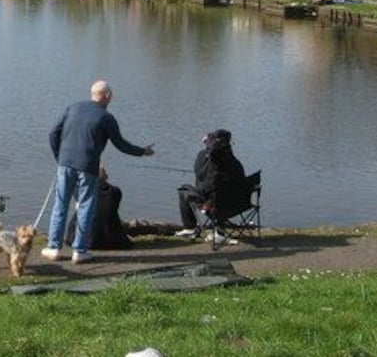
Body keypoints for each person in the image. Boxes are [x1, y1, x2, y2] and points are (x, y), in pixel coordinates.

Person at [43, 80, 155, 264]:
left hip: (65, 164)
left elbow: (53, 133)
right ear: (108, 96)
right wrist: (143, 151)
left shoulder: (73, 107)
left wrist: (59, 157)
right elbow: (121, 145)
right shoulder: (106, 117)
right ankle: (79, 251)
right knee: (87, 207)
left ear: (92, 94)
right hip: (88, 166)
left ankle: (54, 248)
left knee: (60, 205)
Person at [175, 129, 245, 240]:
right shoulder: (235, 162)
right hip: (238, 205)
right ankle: (219, 229)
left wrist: (206, 146)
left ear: (211, 142)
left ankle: (190, 228)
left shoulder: (204, 156)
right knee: (221, 192)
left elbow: (199, 175)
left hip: (215, 207)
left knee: (183, 190)